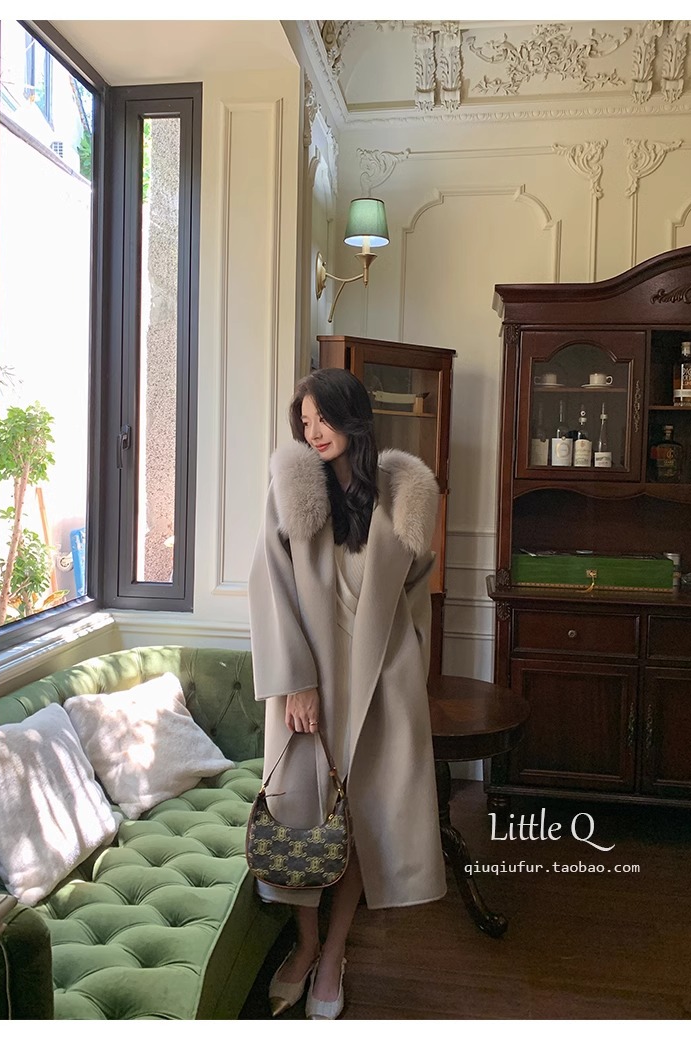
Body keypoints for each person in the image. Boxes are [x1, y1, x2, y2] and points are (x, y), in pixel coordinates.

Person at [247, 367, 446, 1020]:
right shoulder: (290, 488)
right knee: (300, 814)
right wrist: (296, 681)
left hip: (379, 684)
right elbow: (269, 588)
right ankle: (304, 945)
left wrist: (410, 668)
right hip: (307, 687)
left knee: (362, 817)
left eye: (322, 418)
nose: (312, 432)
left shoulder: (402, 497)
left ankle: (333, 952)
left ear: (352, 416)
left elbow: (415, 590)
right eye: (304, 422)